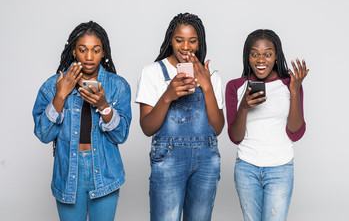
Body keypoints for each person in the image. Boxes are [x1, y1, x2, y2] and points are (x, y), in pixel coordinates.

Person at [32, 21, 132, 221]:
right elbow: (43, 134)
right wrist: (60, 96)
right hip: (69, 170)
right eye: (82, 49)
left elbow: (121, 135)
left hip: (105, 172)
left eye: (95, 50)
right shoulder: (53, 86)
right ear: (73, 52)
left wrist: (104, 106)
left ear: (104, 52)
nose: (89, 57)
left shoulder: (117, 86)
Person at [136, 13, 224, 221]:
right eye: (179, 40)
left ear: (199, 43)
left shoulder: (211, 75)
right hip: (168, 159)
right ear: (170, 40)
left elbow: (218, 128)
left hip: (206, 160)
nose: (186, 46)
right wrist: (168, 96)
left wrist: (207, 86)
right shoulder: (152, 72)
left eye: (192, 41)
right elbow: (147, 128)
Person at [225, 29, 309, 221]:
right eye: (255, 54)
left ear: (276, 55)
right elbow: (235, 137)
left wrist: (295, 90)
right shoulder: (235, 87)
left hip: (280, 168)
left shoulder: (290, 84)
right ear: (248, 56)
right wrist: (244, 107)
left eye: (267, 54)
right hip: (247, 167)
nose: (261, 60)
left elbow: (295, 132)